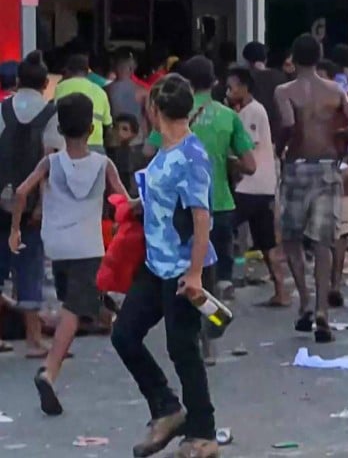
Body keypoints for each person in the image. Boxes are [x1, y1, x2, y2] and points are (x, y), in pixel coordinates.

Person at [111, 74, 220, 458]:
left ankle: (204, 433)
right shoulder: (165, 150)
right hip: (155, 262)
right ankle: (167, 409)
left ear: (154, 110)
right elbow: (166, 199)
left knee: (182, 347)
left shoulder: (191, 155)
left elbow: (201, 217)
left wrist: (193, 274)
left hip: (182, 266)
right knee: (124, 334)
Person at [9, 92, 130, 415]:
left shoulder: (50, 162)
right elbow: (124, 202)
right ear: (92, 129)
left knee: (75, 301)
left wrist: (15, 230)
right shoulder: (104, 164)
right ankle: (49, 372)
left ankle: (113, 320)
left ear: (59, 130)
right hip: (88, 248)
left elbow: (21, 192)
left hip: (56, 246)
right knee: (74, 311)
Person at [275, 34, 348, 342]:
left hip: (297, 168)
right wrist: (338, 137)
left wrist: (282, 147)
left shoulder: (285, 90)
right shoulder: (335, 89)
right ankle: (323, 311)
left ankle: (304, 302)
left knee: (291, 238)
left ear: (293, 59)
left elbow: (287, 123)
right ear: (319, 56)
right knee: (324, 243)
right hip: (328, 169)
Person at [149, 56, 256, 301]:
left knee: (185, 279)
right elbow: (250, 166)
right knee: (219, 279)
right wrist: (226, 161)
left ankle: (195, 328)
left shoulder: (172, 113)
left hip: (180, 210)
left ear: (185, 82)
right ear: (216, 82)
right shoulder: (229, 116)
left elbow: (150, 153)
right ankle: (213, 324)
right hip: (220, 204)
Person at [0, 53, 62, 358]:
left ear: (18, 80)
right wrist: (42, 205)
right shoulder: (51, 114)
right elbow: (51, 162)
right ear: (44, 83)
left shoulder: (1, 109)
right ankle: (34, 339)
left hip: (1, 199)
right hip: (34, 202)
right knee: (31, 265)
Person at [225, 66, 289, 308]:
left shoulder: (250, 113)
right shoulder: (250, 111)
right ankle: (281, 291)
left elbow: (246, 153)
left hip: (250, 186)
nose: (229, 92)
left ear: (244, 87)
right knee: (267, 242)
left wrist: (227, 160)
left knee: (220, 229)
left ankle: (222, 282)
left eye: (231, 87)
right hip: (262, 185)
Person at [54, 53, 112, 153]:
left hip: (69, 144)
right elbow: (108, 124)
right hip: (96, 144)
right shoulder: (100, 91)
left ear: (68, 71)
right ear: (88, 72)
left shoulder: (61, 87)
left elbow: (55, 116)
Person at [240, 41, 288, 146]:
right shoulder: (280, 77)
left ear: (247, 60)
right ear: (265, 59)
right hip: (275, 133)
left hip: (252, 132)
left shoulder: (245, 79)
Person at [107, 48, 148, 141]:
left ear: (114, 67)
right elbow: (152, 121)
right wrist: (153, 144)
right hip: (137, 140)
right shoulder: (143, 92)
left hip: (114, 139)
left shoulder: (105, 91)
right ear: (132, 69)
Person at [110, 113, 145, 195]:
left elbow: (160, 141)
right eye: (116, 128)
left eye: (124, 129)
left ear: (134, 133)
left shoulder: (140, 151)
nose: (119, 132)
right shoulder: (110, 153)